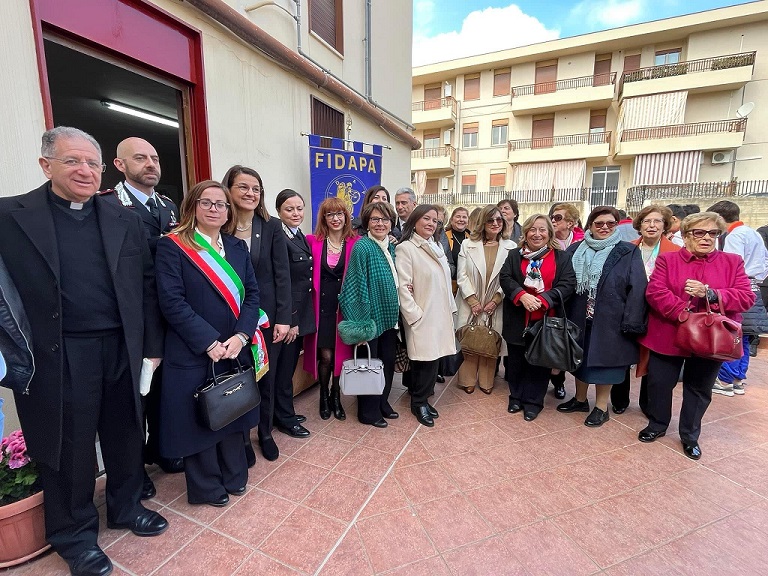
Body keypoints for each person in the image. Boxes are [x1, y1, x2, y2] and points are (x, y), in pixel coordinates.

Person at [0, 127, 168, 576]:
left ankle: (127, 506)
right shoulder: (11, 216)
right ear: (45, 165)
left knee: (126, 431)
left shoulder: (123, 218)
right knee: (69, 445)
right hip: (59, 352)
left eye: (92, 163)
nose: (84, 171)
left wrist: (152, 348)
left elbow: (147, 288)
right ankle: (73, 534)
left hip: (121, 346)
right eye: (73, 161)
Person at [155, 180, 260, 507]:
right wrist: (208, 342)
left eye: (221, 204)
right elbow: (172, 302)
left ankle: (234, 476)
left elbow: (253, 296)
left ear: (229, 210)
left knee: (232, 412)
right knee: (199, 420)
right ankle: (206, 488)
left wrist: (242, 336)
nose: (215, 209)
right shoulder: (173, 246)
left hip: (234, 347)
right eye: (207, 203)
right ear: (193, 206)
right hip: (193, 348)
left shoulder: (237, 247)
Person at [102, 137, 182, 498]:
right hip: (130, 320)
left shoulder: (168, 207)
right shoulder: (106, 205)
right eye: (140, 158)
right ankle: (135, 470)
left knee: (165, 392)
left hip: (168, 315)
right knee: (132, 400)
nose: (150, 164)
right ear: (119, 165)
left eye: (154, 157)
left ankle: (161, 451)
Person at [638, 212, 755, 460]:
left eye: (712, 233)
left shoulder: (732, 262)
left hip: (711, 339)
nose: (706, 238)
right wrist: (682, 314)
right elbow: (655, 291)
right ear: (685, 235)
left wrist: (710, 294)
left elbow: (746, 297)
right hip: (669, 334)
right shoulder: (668, 260)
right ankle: (657, 424)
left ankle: (690, 436)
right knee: (659, 384)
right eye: (699, 233)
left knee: (699, 388)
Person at [557, 206, 647, 427]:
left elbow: (638, 288)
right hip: (578, 316)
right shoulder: (575, 250)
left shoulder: (627, 251)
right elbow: (566, 282)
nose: (604, 227)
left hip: (611, 320)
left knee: (604, 365)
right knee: (579, 359)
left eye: (610, 223)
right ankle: (579, 400)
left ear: (616, 226)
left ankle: (601, 407)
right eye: (599, 223)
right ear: (590, 226)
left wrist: (632, 321)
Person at [224, 165, 290, 462]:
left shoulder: (271, 225)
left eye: (256, 188)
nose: (251, 193)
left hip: (266, 320)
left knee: (266, 377)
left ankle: (264, 432)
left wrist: (284, 319)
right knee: (238, 378)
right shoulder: (218, 223)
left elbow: (282, 275)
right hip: (230, 319)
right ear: (229, 189)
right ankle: (241, 438)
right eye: (243, 187)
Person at [500, 214, 576, 420]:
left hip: (546, 320)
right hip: (518, 318)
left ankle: (533, 401)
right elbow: (505, 278)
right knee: (515, 361)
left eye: (542, 229)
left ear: (549, 233)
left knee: (539, 363)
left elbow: (568, 284)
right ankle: (515, 397)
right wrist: (522, 295)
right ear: (525, 233)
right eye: (532, 229)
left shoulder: (562, 257)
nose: (537, 234)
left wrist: (543, 300)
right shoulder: (514, 255)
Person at [609, 205, 680, 415]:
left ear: (665, 225)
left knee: (653, 358)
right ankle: (619, 399)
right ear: (639, 225)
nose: (651, 225)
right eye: (647, 221)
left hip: (659, 312)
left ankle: (648, 402)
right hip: (629, 309)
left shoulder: (676, 252)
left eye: (657, 221)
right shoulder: (626, 248)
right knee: (623, 354)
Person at [338, 202, 401, 426]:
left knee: (386, 362)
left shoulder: (391, 247)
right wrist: (361, 323)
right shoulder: (363, 247)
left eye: (384, 219)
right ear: (367, 223)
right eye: (375, 219)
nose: (380, 224)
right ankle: (368, 412)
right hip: (371, 318)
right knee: (369, 366)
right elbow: (355, 286)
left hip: (390, 318)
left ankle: (383, 402)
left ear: (392, 223)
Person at [396, 205, 457, 427]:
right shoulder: (406, 248)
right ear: (414, 221)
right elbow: (403, 287)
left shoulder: (435, 246)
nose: (431, 223)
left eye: (435, 220)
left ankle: (423, 398)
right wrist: (415, 315)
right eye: (426, 219)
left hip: (439, 313)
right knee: (422, 361)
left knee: (433, 360)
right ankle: (418, 402)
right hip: (422, 316)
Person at [303, 198, 359, 420]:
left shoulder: (357, 242)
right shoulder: (312, 242)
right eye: (330, 215)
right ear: (324, 218)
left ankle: (337, 396)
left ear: (346, 217)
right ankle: (324, 397)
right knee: (325, 356)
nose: (335, 219)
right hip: (322, 307)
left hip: (344, 309)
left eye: (339, 214)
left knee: (341, 356)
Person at [707, 200, 768, 396]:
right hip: (754, 287)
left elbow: (730, 266)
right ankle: (738, 379)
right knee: (746, 336)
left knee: (731, 333)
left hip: (739, 288)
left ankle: (725, 380)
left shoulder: (735, 236)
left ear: (721, 219)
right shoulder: (753, 233)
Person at [455, 205, 515, 394]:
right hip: (470, 300)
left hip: (496, 302)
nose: (496, 223)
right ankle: (467, 380)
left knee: (491, 341)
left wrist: (496, 299)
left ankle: (487, 382)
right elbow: (462, 275)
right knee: (471, 339)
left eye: (499, 220)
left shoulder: (511, 247)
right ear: (482, 222)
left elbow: (510, 277)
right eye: (491, 220)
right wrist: (473, 301)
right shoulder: (467, 244)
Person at [274, 189, 314, 436]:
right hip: (289, 316)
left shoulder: (298, 236)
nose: (296, 213)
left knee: (287, 370)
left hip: (298, 312)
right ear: (279, 211)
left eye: (299, 208)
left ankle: (283, 410)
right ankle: (284, 418)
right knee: (283, 370)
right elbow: (283, 282)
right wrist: (291, 319)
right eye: (290, 209)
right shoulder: (278, 236)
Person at [547, 202, 584, 399]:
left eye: (559, 218)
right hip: (552, 299)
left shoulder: (583, 243)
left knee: (566, 341)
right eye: (552, 217)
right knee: (551, 339)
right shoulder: (546, 240)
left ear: (571, 222)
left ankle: (561, 381)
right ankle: (551, 380)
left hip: (575, 301)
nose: (553, 220)